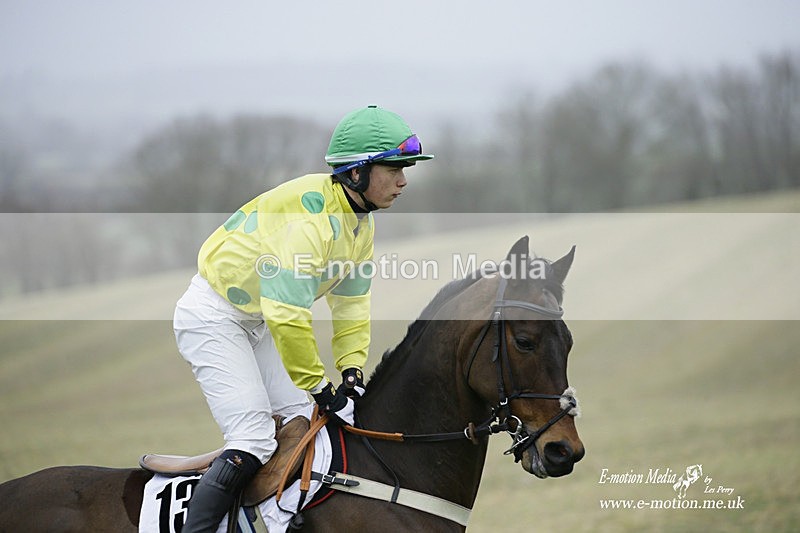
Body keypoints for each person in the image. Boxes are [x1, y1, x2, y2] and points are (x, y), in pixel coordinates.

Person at [173, 105, 433, 532]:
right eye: (394, 168)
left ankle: (279, 519)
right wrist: (318, 385)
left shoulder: (359, 223)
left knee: (307, 426)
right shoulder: (310, 222)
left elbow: (350, 304)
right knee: (254, 438)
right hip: (213, 318)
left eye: (405, 168)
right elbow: (287, 313)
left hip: (256, 322)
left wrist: (350, 369)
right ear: (356, 173)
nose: (404, 180)